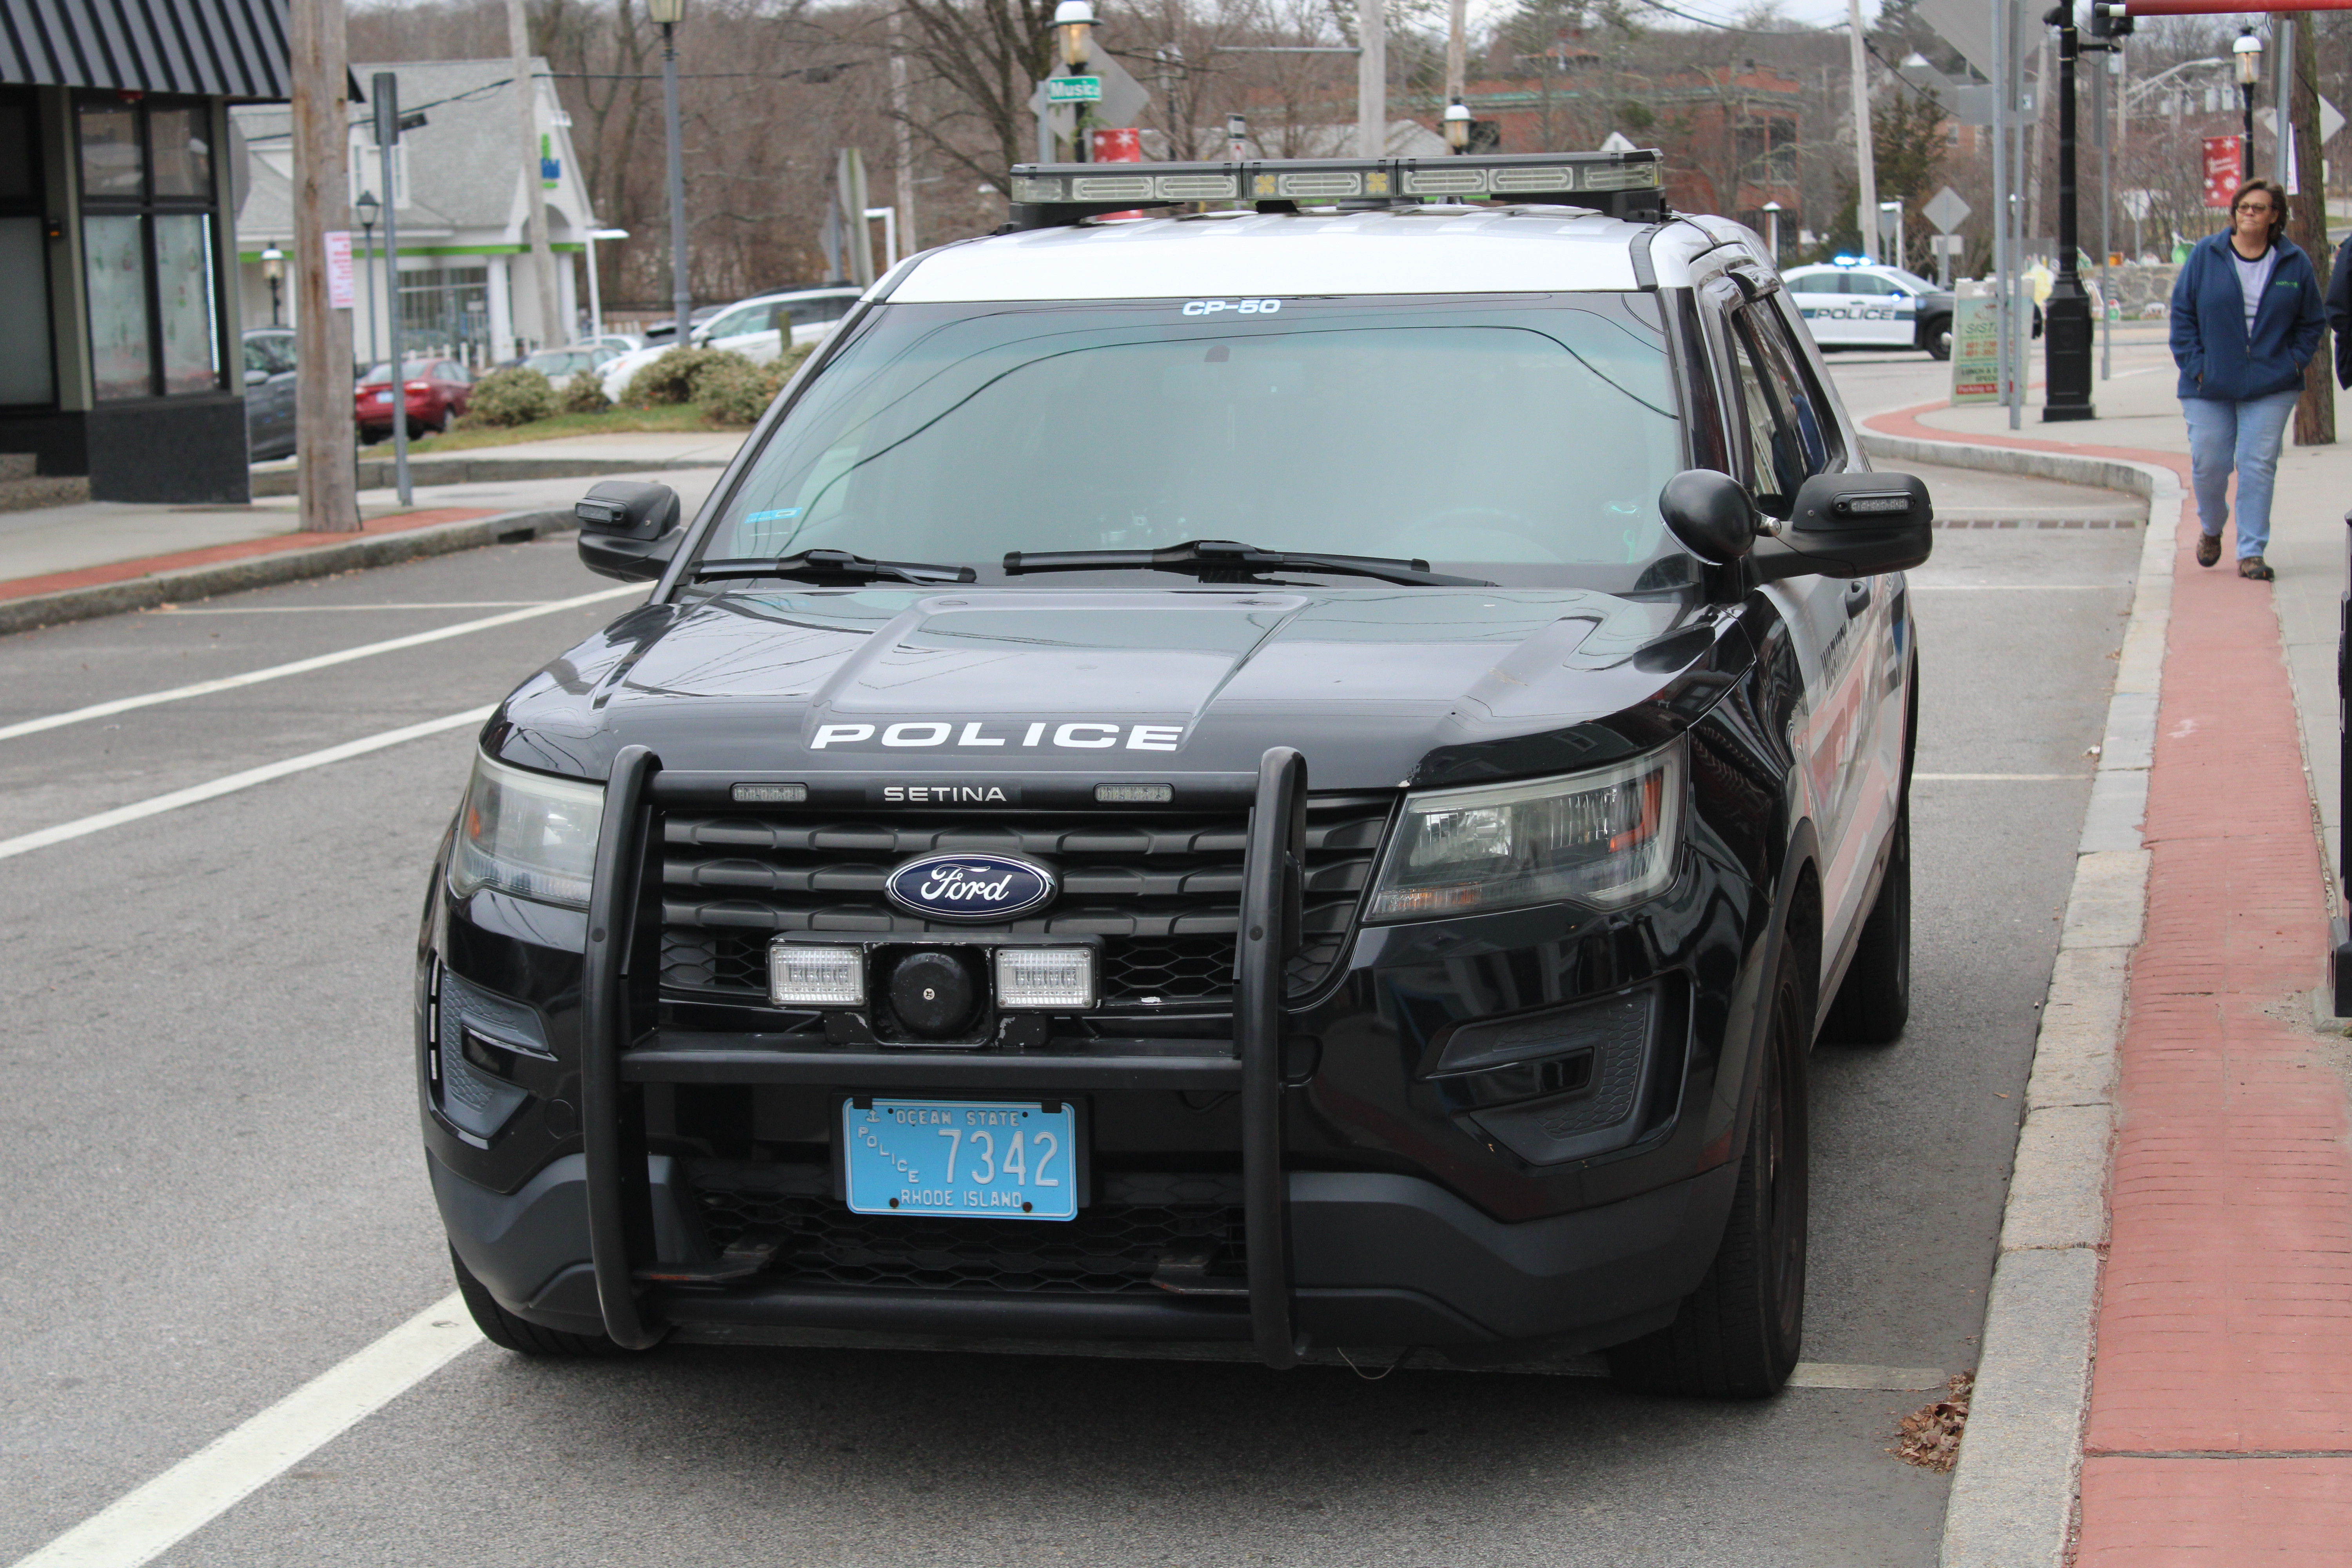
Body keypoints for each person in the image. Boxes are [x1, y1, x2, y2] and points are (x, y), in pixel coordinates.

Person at [2169, 178, 2324, 581]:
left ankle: (2251, 551)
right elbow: (2183, 314)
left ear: (2275, 215)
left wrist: (2294, 362)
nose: (2250, 213)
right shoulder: (2207, 255)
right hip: (2209, 383)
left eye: (2259, 207)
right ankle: (2211, 527)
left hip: (2272, 383)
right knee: (2210, 461)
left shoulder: (2294, 262)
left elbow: (2313, 322)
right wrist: (2197, 365)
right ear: (2234, 213)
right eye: (2243, 207)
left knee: (2257, 464)